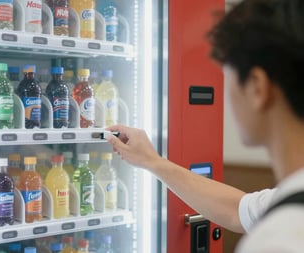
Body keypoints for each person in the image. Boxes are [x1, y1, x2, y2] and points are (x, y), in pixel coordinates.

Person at [106, 0, 304, 252]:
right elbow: (237, 210)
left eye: (226, 75)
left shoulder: (277, 240)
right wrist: (153, 161)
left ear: (257, 87)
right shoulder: (286, 208)